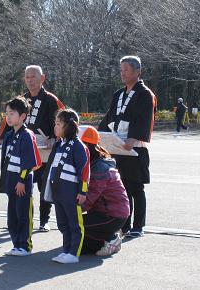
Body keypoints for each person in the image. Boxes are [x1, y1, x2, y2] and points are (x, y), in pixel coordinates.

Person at [0, 65, 65, 232]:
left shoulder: (51, 99)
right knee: (20, 185)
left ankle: (44, 220)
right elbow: (9, 121)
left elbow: (64, 122)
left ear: (42, 78)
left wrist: (55, 138)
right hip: (23, 150)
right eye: (27, 77)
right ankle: (18, 219)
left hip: (45, 151)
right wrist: (1, 138)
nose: (30, 80)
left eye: (33, 76)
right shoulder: (20, 100)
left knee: (43, 186)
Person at [99, 56, 157, 238]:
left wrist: (133, 138)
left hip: (134, 147)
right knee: (121, 187)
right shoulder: (118, 94)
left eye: (126, 69)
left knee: (136, 188)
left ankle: (138, 226)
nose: (122, 73)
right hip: (116, 146)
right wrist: (99, 135)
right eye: (121, 69)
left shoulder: (145, 94)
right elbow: (109, 117)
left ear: (137, 72)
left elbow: (145, 118)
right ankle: (125, 225)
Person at [43, 109, 90, 264]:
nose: (55, 127)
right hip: (58, 191)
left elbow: (84, 171)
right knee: (63, 223)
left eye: (58, 124)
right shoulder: (59, 145)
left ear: (69, 126)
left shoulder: (78, 146)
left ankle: (74, 253)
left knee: (74, 223)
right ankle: (66, 250)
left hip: (71, 192)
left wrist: (82, 191)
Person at [0, 96, 42, 257]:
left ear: (23, 116)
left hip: (21, 182)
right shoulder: (9, 135)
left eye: (12, 113)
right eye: (6, 113)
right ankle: (16, 244)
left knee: (23, 213)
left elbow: (29, 161)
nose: (8, 117)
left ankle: (25, 245)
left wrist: (22, 180)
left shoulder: (27, 135)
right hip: (11, 181)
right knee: (12, 216)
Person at [78, 126, 130, 256]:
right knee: (78, 245)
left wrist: (70, 211)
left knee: (74, 225)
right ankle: (108, 238)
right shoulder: (93, 162)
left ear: (86, 146)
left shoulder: (99, 168)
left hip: (113, 215)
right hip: (103, 212)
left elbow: (88, 199)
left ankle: (111, 238)